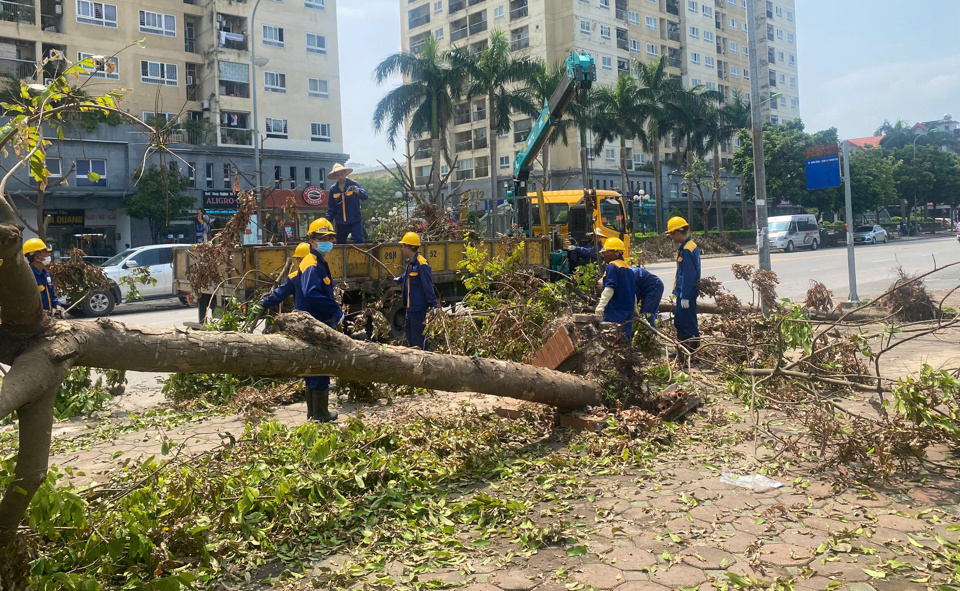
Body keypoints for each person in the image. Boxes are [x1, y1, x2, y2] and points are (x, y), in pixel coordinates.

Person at [259, 219, 343, 422]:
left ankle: (314, 413)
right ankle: (320, 413)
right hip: (316, 325)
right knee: (320, 367)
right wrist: (336, 311)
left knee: (312, 368)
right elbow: (312, 294)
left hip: (312, 325)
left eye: (329, 238)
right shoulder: (312, 265)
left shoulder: (313, 264)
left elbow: (281, 293)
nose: (327, 242)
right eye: (322, 238)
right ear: (312, 241)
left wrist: (261, 304)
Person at [395, 232, 438, 350]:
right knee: (410, 334)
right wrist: (400, 279)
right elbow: (408, 275)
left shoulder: (421, 263)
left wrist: (434, 304)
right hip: (410, 307)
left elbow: (428, 285)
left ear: (408, 247)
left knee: (420, 339)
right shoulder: (411, 262)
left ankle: (424, 362)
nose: (402, 249)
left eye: (403, 246)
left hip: (418, 309)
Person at [666, 216, 701, 351]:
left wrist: (685, 295)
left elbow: (688, 274)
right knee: (680, 321)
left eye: (672, 235)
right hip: (683, 292)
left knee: (687, 323)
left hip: (686, 293)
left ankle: (691, 352)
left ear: (677, 232)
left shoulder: (687, 249)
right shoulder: (688, 246)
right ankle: (683, 351)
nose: (672, 238)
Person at [594, 237, 637, 342]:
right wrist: (635, 308)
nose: (604, 256)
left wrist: (601, 306)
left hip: (615, 309)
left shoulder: (613, 266)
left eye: (607, 253)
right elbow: (633, 291)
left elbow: (610, 288)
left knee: (612, 339)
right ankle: (627, 357)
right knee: (625, 339)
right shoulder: (628, 268)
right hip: (628, 309)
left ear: (617, 253)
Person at [324, 163, 368, 244]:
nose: (340, 177)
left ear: (345, 173)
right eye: (338, 175)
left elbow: (365, 196)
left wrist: (358, 191)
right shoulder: (333, 189)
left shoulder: (354, 184)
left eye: (341, 174)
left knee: (359, 241)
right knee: (340, 243)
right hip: (340, 223)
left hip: (355, 220)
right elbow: (331, 208)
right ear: (335, 177)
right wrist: (326, 221)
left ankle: (361, 256)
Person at [24, 238, 63, 318]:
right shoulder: (28, 276)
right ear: (36, 257)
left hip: (47, 318)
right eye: (45, 253)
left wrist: (57, 306)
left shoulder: (46, 274)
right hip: (35, 321)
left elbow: (52, 294)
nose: (49, 255)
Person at [633, 264, 665, 329]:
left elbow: (634, 296)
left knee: (647, 314)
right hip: (645, 288)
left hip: (654, 287)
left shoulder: (629, 275)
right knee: (643, 315)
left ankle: (652, 336)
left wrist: (634, 311)